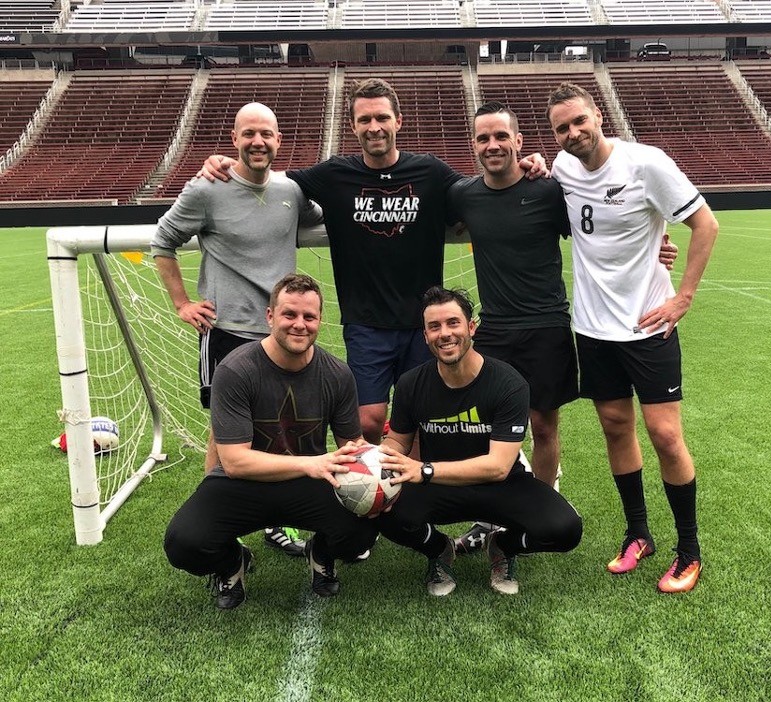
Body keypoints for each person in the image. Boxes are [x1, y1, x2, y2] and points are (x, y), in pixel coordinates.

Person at [198, 79, 546, 445]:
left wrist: (526, 165)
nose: (374, 127)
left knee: (424, 418)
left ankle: (414, 488)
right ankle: (377, 486)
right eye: (364, 120)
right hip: (366, 322)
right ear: (353, 126)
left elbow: (481, 191)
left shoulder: (430, 171)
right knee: (368, 421)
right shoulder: (334, 174)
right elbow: (268, 178)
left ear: (398, 121)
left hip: (421, 321)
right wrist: (228, 163)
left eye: (382, 117)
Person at [445, 100, 678, 555]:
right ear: (473, 146)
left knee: (543, 425)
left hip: (548, 327)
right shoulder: (463, 195)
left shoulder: (552, 192)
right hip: (491, 330)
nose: (492, 145)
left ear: (519, 141)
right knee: (482, 427)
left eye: (500, 136)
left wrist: (657, 248)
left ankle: (540, 507)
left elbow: (608, 231)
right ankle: (485, 515)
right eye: (482, 138)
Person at [546, 83, 719, 594]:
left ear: (597, 115)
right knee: (616, 428)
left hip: (649, 326)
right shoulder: (561, 169)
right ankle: (638, 535)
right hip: (593, 328)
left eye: (579, 121)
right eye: (562, 128)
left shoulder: (646, 163)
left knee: (666, 435)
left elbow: (705, 225)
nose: (573, 133)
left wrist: (682, 297)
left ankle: (689, 551)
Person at [152, 102, 321, 557]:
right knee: (223, 433)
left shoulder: (292, 191)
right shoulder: (206, 187)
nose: (257, 141)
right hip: (227, 330)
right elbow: (161, 241)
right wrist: (182, 302)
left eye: (266, 133)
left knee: (281, 426)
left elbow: (323, 216)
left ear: (279, 140)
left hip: (283, 333)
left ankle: (273, 523)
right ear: (233, 139)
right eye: (249, 133)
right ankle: (219, 529)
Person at [164, 274, 379, 609]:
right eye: (289, 314)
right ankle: (231, 561)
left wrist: (382, 470)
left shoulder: (337, 374)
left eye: (309, 317)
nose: (300, 325)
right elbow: (234, 462)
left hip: (306, 483)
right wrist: (310, 463)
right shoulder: (236, 370)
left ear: (320, 320)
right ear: (269, 317)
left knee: (363, 528)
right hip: (243, 482)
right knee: (184, 543)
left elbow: (353, 445)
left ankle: (319, 553)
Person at [376, 286, 582, 596]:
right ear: (425, 335)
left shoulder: (508, 383)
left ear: (471, 327)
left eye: (453, 323)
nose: (445, 333)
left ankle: (503, 545)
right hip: (440, 489)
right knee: (381, 509)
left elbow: (498, 467)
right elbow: (397, 442)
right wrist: (376, 459)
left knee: (565, 529)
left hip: (502, 486)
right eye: (435, 326)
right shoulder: (410, 384)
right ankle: (439, 550)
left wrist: (425, 470)